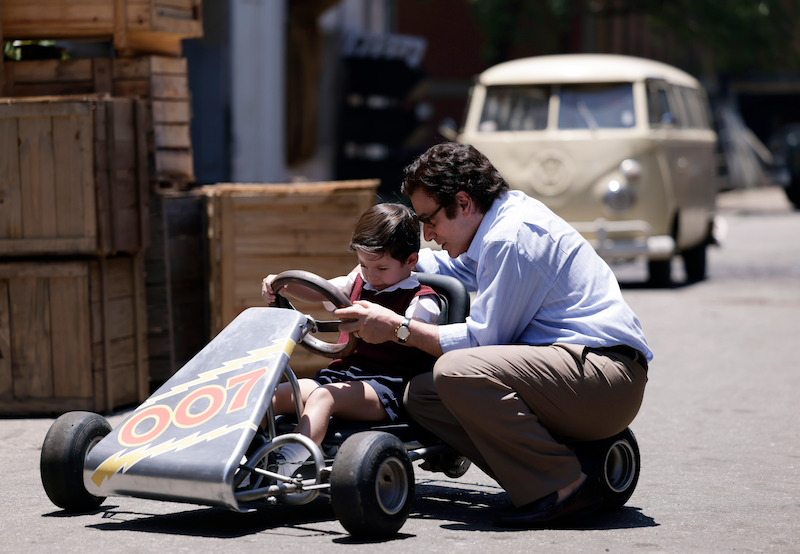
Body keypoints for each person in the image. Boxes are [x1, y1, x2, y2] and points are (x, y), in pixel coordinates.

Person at [334, 142, 652, 527]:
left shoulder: (510, 236)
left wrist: (398, 328)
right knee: (421, 394)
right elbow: (434, 265)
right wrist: (365, 272)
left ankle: (563, 486)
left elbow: (482, 344)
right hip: (576, 375)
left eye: (429, 220)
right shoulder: (494, 226)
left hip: (604, 378)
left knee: (455, 371)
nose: (428, 234)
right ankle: (547, 474)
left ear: (463, 202)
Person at [261, 203, 440, 476]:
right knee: (272, 395)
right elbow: (321, 291)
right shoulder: (359, 280)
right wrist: (282, 285)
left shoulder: (422, 301)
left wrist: (392, 326)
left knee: (323, 397)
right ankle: (245, 451)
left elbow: (420, 336)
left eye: (381, 268)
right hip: (342, 375)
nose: (369, 275)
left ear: (411, 261)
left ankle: (286, 462)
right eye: (363, 265)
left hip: (385, 387)